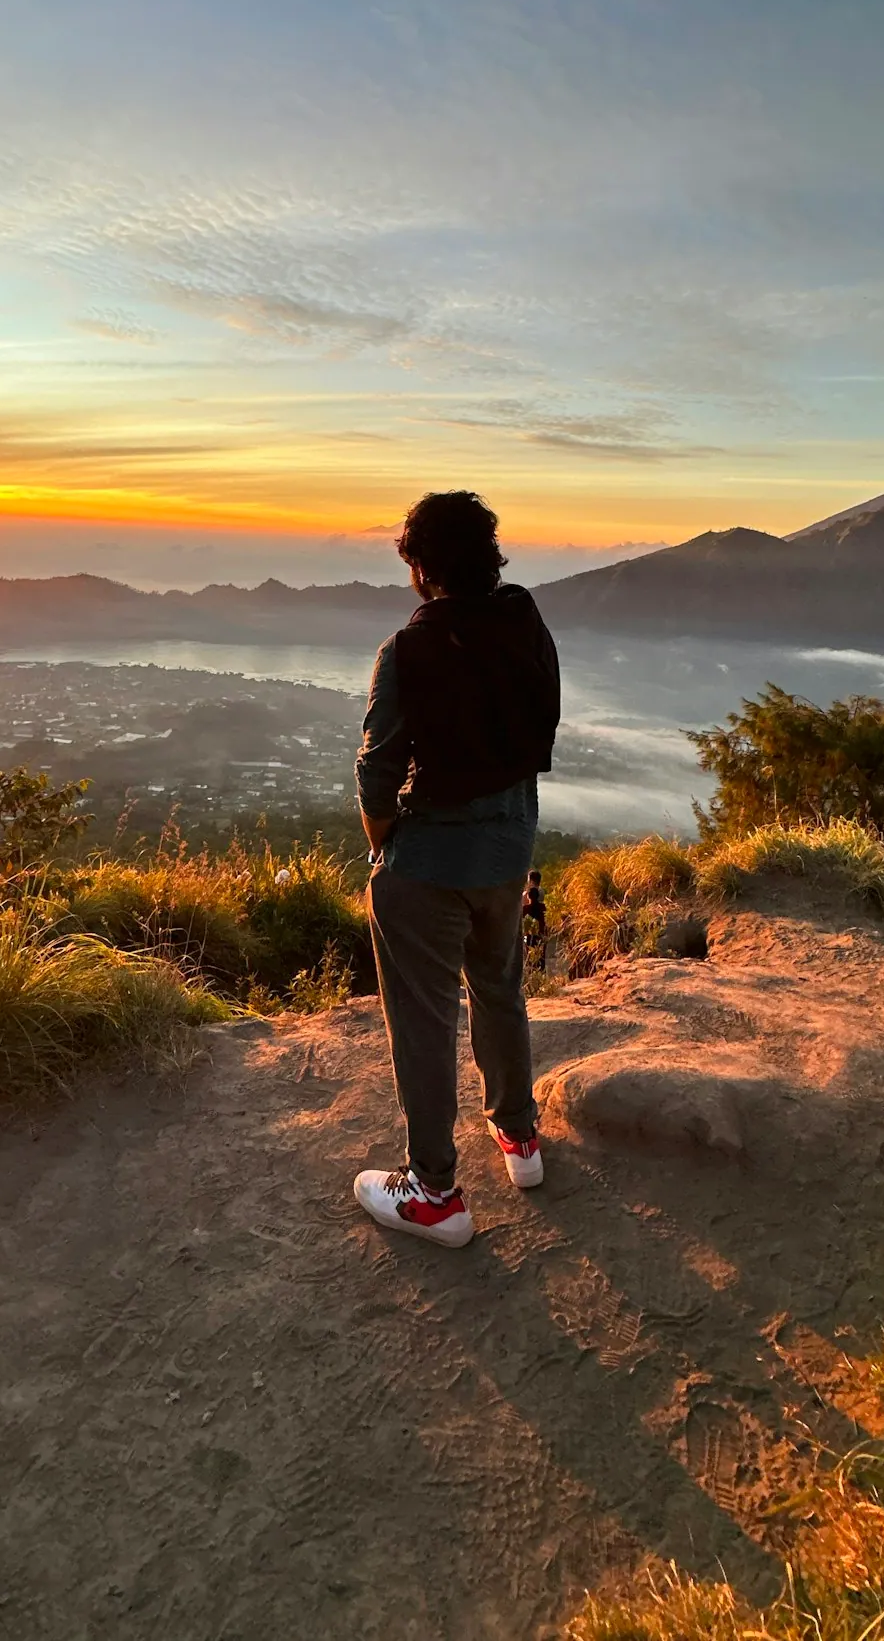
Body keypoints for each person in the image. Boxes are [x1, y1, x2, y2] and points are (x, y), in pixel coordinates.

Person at [353, 490, 561, 1248]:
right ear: (490, 553)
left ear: (419, 565)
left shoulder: (407, 651)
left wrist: (384, 843)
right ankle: (521, 1138)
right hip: (509, 852)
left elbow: (376, 773)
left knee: (426, 1017)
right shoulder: (525, 620)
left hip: (430, 865)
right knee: (499, 986)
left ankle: (435, 1191)